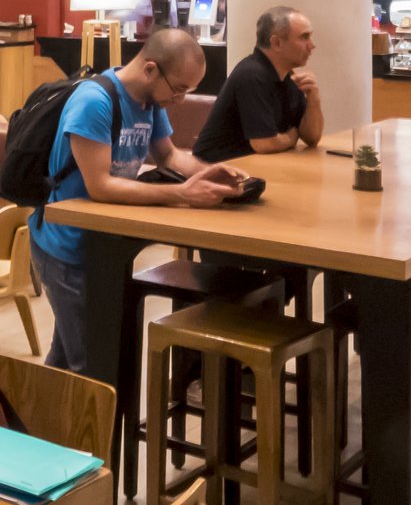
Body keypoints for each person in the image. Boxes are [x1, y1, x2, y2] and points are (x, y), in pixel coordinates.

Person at [30, 26, 249, 375]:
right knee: (90, 364)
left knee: (70, 356)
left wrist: (210, 172)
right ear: (150, 69)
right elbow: (100, 186)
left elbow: (169, 156)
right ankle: (57, 423)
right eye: (178, 89)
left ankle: (33, 420)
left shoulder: (149, 100)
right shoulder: (95, 101)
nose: (179, 101)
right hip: (66, 245)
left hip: (101, 241)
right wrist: (182, 193)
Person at [194, 5, 323, 164]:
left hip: (249, 169)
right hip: (213, 172)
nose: (312, 45)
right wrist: (291, 138)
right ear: (276, 43)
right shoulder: (252, 75)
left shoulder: (288, 77)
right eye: (304, 37)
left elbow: (312, 138)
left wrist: (314, 99)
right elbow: (264, 143)